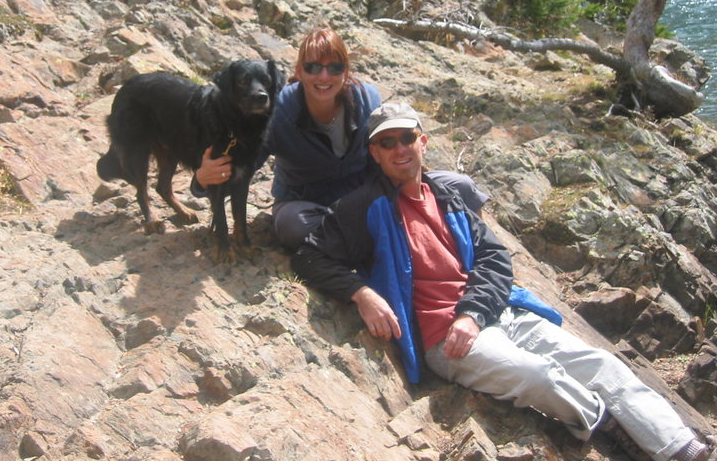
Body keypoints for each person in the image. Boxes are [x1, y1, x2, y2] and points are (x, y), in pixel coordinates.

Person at [291, 101, 713, 461]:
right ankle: (604, 422)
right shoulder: (364, 206)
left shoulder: (448, 195)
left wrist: (474, 312)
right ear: (375, 153)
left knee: (601, 363)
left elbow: (494, 257)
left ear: (423, 142)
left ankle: (681, 447)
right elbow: (310, 255)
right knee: (539, 376)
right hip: (445, 339)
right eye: (388, 142)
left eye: (407, 138)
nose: (399, 148)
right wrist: (361, 292)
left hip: (496, 312)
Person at [193, 27, 489, 250]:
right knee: (291, 226)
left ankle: (476, 247)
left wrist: (418, 184)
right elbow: (246, 164)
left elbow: (395, 150)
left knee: (462, 186)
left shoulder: (368, 99)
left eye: (335, 67)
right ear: (299, 71)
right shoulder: (279, 110)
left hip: (366, 195)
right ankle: (384, 242)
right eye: (313, 67)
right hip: (308, 202)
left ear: (346, 71)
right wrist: (202, 180)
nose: (324, 77)